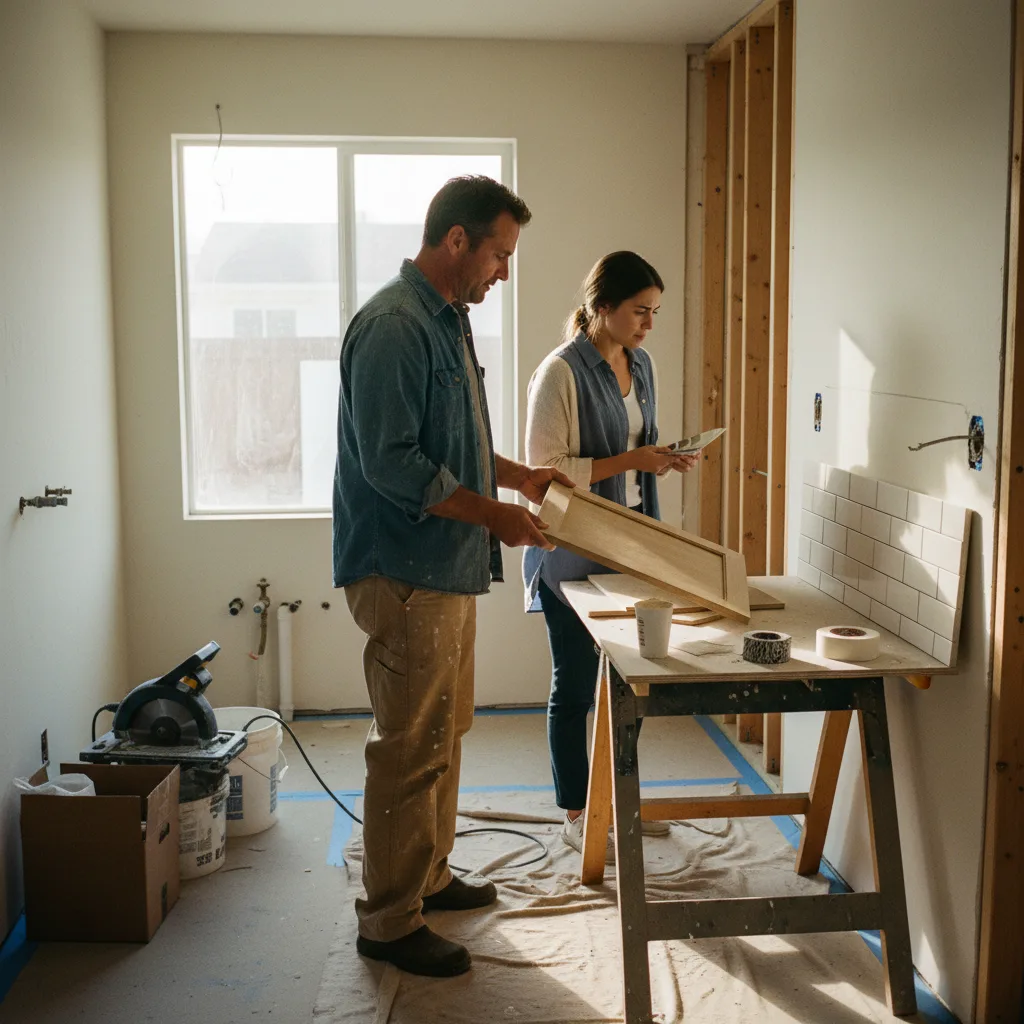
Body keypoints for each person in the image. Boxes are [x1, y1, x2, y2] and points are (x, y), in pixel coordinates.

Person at [333, 176, 573, 979]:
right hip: (404, 570)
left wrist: (517, 478)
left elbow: (456, 445)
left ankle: (427, 878)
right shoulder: (396, 328)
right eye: (500, 253)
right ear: (458, 241)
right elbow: (393, 464)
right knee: (408, 747)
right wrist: (495, 516)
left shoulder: (448, 321)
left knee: (443, 733)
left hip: (444, 568)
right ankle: (390, 922)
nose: (504, 271)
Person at [523, 251, 698, 856]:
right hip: (570, 547)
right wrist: (632, 461)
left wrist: (665, 458)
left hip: (633, 546)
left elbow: (636, 450)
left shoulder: (640, 365)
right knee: (574, 682)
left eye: (654, 313)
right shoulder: (560, 373)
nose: (649, 325)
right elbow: (545, 471)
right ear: (601, 309)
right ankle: (577, 811)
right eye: (639, 312)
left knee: (631, 681)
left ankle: (617, 801)